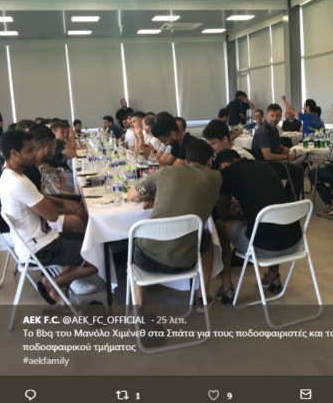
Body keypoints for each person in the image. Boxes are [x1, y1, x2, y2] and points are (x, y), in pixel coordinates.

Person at [0, 131, 98, 305]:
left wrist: (56, 203)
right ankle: (51, 283)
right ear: (14, 153)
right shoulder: (18, 182)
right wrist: (56, 204)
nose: (35, 154)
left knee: (81, 237)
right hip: (39, 248)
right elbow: (52, 216)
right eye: (30, 150)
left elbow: (44, 203)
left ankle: (61, 298)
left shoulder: (11, 176)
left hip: (39, 240)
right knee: (99, 258)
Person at [127, 140, 222, 310]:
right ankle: (202, 298)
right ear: (210, 161)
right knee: (208, 242)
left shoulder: (165, 173)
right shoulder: (216, 178)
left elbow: (131, 196)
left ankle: (139, 305)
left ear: (185, 160)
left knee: (135, 242)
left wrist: (155, 198)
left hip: (147, 260)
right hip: (187, 261)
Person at [214, 149, 303, 302]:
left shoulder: (226, 173)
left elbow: (224, 215)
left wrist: (231, 207)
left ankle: (226, 287)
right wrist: (244, 206)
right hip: (294, 242)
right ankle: (273, 277)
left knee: (219, 225)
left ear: (222, 166)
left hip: (262, 248)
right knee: (273, 222)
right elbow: (268, 200)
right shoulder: (266, 166)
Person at [251, 103, 304, 200]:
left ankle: (286, 198)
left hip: (270, 163)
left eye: (277, 116)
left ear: (280, 117)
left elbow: (278, 145)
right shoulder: (264, 131)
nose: (274, 118)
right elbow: (267, 156)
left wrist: (283, 148)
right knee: (298, 171)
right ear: (267, 116)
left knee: (297, 168)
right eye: (272, 115)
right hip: (264, 166)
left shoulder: (274, 129)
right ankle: (291, 201)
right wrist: (287, 157)